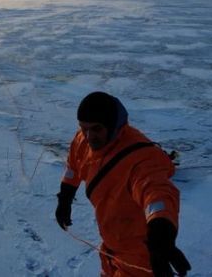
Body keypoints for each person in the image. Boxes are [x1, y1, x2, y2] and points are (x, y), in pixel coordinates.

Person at [55, 92, 191, 277]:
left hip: (140, 250)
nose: (89, 136)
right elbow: (73, 167)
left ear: (112, 126)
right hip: (111, 245)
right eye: (83, 128)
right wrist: (65, 198)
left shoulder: (140, 159)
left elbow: (156, 193)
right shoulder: (82, 141)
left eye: (96, 129)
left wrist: (162, 231)